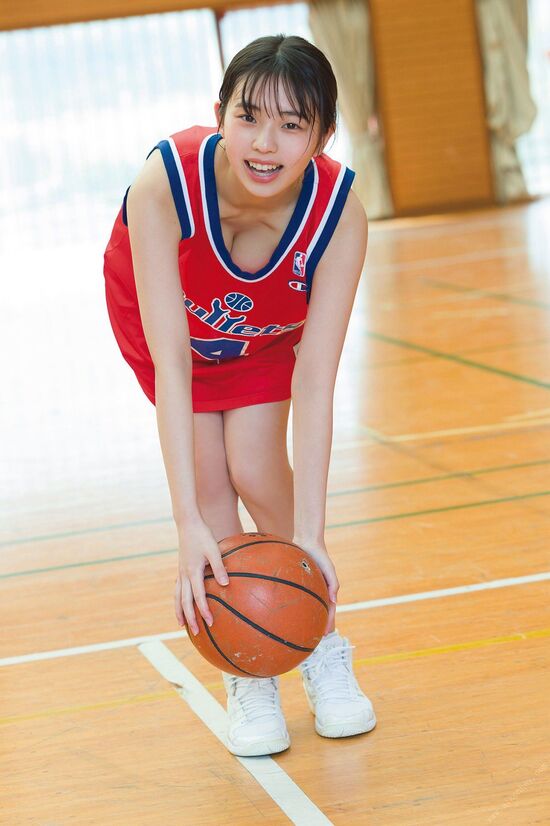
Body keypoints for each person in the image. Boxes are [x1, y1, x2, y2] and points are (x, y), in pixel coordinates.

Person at [103, 33, 376, 757]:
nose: (264, 143)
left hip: (261, 330)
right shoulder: (165, 184)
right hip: (171, 331)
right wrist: (186, 523)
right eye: (248, 116)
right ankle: (245, 667)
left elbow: (315, 381)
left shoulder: (338, 214)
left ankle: (321, 641)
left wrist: (312, 535)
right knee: (212, 490)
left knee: (257, 467)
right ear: (219, 111)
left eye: (291, 125)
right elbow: (173, 365)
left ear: (324, 136)